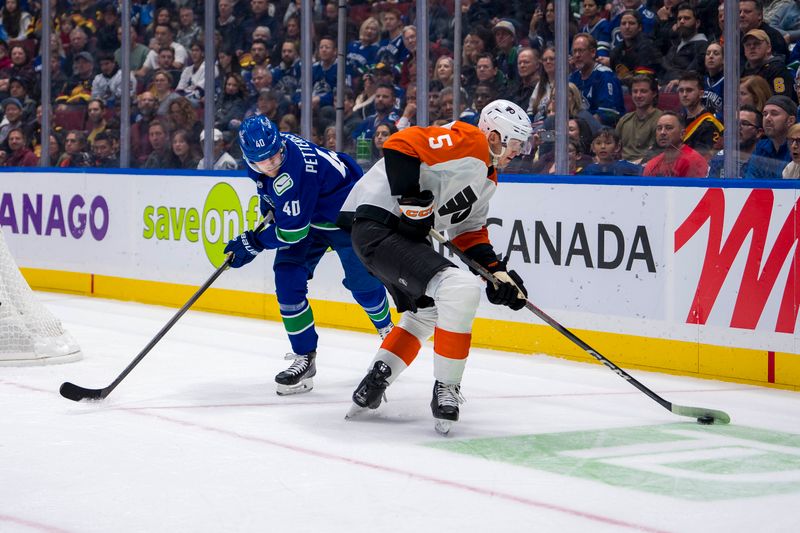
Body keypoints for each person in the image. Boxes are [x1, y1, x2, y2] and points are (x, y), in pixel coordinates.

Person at [337, 100, 532, 433]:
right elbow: (399, 144)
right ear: (495, 135)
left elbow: (468, 232)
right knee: (460, 289)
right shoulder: (470, 139)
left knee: (427, 310)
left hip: (395, 239)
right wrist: (410, 199)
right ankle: (447, 387)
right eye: (515, 143)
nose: (519, 151)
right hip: (380, 225)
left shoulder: (488, 178)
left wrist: (495, 272)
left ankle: (375, 379)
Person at [224, 115, 394, 396]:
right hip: (310, 215)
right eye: (261, 160)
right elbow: (278, 203)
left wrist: (253, 242)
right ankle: (305, 358)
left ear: (280, 143)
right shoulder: (268, 155)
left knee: (363, 285)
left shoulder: (293, 170)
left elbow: (292, 234)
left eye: (274, 156)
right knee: (287, 278)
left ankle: (387, 329)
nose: (270, 164)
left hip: (346, 215)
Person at [742, 95, 797, 179]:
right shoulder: (760, 148)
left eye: (774, 114)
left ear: (790, 120)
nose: (767, 118)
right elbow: (751, 182)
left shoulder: (797, 148)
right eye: (765, 114)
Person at [643, 112, 709, 177]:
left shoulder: (694, 161)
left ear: (682, 134)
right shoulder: (652, 164)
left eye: (669, 128)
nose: (662, 132)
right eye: (659, 128)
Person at [707, 105, 763, 178]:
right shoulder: (720, 159)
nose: (738, 127)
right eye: (735, 123)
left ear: (759, 132)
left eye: (745, 123)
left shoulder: (764, 162)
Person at [616, 75, 662, 163]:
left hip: (647, 168)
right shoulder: (624, 120)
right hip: (621, 168)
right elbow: (614, 147)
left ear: (654, 93)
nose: (638, 95)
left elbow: (659, 153)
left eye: (643, 91)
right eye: (635, 91)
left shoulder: (661, 120)